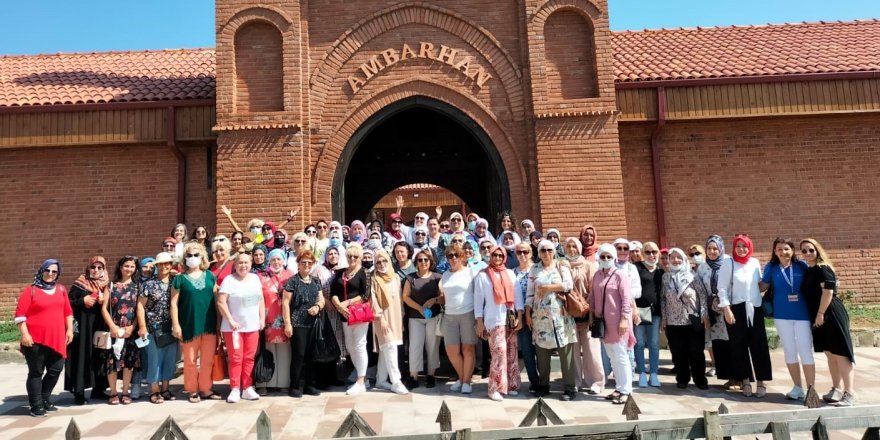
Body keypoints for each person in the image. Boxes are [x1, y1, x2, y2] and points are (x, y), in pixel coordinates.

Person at [800, 238, 856, 406]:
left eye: (811, 250)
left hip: (830, 313)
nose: (808, 253)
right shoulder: (809, 270)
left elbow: (828, 293)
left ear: (817, 250)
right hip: (819, 316)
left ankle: (850, 392)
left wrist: (820, 314)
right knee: (830, 353)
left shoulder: (824, 269)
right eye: (804, 251)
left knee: (841, 353)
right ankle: (836, 389)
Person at [15, 259, 73, 417]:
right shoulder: (31, 291)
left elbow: (67, 312)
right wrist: (25, 334)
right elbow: (20, 316)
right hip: (35, 340)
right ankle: (36, 405)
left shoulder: (61, 289)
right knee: (36, 373)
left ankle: (45, 398)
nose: (50, 274)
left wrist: (70, 330)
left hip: (57, 338)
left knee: (56, 369)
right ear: (42, 271)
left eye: (54, 271)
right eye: (47, 270)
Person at [717, 234, 772, 398]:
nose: (741, 249)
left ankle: (762, 381)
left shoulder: (754, 262)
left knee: (759, 346)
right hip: (736, 309)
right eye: (738, 246)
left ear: (750, 247)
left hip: (755, 307)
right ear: (734, 247)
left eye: (745, 246)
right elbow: (722, 288)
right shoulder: (728, 263)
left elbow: (759, 285)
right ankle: (746, 380)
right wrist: (726, 308)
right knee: (738, 346)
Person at [760, 237, 814, 401]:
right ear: (774, 252)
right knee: (790, 351)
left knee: (805, 351)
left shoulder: (801, 266)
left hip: (802, 315)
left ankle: (811, 390)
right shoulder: (772, 267)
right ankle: (798, 387)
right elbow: (763, 286)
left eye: (786, 249)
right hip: (781, 316)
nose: (783, 252)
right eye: (779, 249)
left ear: (792, 250)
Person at [171, 242, 221, 403]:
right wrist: (176, 324)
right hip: (189, 325)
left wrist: (220, 323)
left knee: (207, 360)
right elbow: (173, 304)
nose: (193, 258)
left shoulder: (210, 276)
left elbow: (216, 300)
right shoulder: (179, 279)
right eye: (189, 255)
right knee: (190, 361)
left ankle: (206, 388)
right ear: (184, 258)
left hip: (209, 325)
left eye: (196, 255)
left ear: (202, 257)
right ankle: (192, 390)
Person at [527, 239, 577, 401]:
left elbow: (568, 285)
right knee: (542, 354)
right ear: (539, 253)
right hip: (540, 318)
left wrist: (548, 288)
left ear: (554, 251)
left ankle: (569, 388)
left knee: (565, 354)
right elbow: (529, 294)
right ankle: (544, 385)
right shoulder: (534, 269)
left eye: (549, 250)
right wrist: (528, 313)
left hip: (561, 318)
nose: (546, 253)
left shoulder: (561, 266)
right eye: (543, 250)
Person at [474, 245, 523, 401]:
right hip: (493, 319)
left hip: (510, 318)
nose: (497, 258)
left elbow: (517, 295)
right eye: (494, 255)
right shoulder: (483, 275)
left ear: (504, 257)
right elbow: (478, 300)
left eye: (500, 255)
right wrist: (479, 321)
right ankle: (494, 388)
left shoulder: (510, 273)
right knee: (499, 352)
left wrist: (520, 315)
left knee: (511, 352)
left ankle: (511, 385)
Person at [217, 253, 265, 403]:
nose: (243, 266)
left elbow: (260, 299)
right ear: (235, 265)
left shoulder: (255, 279)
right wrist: (230, 320)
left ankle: (247, 387)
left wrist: (262, 319)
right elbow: (221, 302)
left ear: (250, 264)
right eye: (240, 263)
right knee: (236, 358)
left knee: (249, 357)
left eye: (246, 263)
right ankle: (235, 388)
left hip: (252, 326)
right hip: (234, 328)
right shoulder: (229, 280)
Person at [590, 244, 634, 404]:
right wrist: (591, 315)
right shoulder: (597, 276)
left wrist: (624, 319)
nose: (606, 259)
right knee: (612, 356)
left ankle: (626, 390)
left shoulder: (620, 275)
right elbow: (593, 297)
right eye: (603, 256)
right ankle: (619, 387)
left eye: (609, 256)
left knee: (621, 355)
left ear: (614, 257)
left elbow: (627, 299)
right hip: (603, 323)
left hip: (618, 322)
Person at [660, 248, 710, 390]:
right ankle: (682, 378)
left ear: (684, 260)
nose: (676, 260)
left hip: (692, 320)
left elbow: (702, 297)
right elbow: (663, 299)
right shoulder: (666, 277)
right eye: (673, 258)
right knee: (678, 352)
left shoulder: (692, 275)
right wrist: (664, 318)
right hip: (673, 322)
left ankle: (700, 379)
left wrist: (704, 315)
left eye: (679, 258)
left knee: (696, 352)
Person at [65, 256, 110, 404]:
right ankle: (79, 392)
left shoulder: (107, 285)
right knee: (82, 357)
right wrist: (82, 301)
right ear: (88, 268)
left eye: (99, 268)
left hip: (99, 327)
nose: (96, 270)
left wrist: (105, 302)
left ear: (104, 269)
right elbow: (68, 305)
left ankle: (99, 389)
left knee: (99, 356)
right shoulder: (80, 285)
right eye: (93, 267)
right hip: (83, 329)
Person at [137, 252, 179, 404]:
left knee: (169, 358)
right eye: (161, 264)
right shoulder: (148, 283)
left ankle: (166, 388)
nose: (164, 266)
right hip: (153, 327)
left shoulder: (175, 281)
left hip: (170, 325)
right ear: (157, 266)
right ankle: (154, 390)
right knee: (154, 359)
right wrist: (142, 326)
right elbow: (140, 306)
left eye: (167, 263)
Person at [98, 256, 142, 405]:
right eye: (126, 266)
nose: (129, 269)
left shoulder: (138, 287)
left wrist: (133, 327)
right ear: (120, 267)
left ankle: (125, 392)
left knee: (128, 362)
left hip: (130, 330)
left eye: (132, 266)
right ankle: (113, 392)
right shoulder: (111, 286)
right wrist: (112, 327)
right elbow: (104, 309)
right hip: (114, 329)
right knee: (112, 362)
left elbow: (140, 310)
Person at [282, 250, 325, 397]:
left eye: (309, 263)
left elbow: (322, 299)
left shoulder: (315, 281)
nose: (306, 265)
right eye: (303, 263)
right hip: (297, 323)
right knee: (298, 355)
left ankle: (309, 385)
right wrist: (287, 323)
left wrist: (318, 307)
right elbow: (285, 303)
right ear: (298, 264)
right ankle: (294, 386)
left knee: (311, 355)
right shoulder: (293, 281)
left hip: (313, 323)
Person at [331, 243, 372, 395]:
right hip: (344, 314)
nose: (352, 259)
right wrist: (338, 306)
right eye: (349, 256)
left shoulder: (365, 272)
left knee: (360, 345)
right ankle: (364, 377)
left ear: (360, 257)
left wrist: (347, 303)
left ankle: (360, 381)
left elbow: (365, 295)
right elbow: (334, 292)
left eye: (355, 256)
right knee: (349, 345)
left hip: (359, 314)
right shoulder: (341, 272)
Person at [565, 237, 604, 395]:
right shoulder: (562, 265)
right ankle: (575, 381)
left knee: (591, 350)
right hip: (568, 314)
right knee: (573, 351)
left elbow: (593, 288)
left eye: (574, 246)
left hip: (586, 313)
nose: (572, 249)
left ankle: (596, 381)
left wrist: (583, 305)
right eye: (568, 246)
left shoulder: (588, 265)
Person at [696, 235, 735, 389]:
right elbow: (700, 289)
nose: (712, 251)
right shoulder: (703, 267)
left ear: (721, 248)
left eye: (715, 248)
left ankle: (738, 377)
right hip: (712, 311)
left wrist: (727, 305)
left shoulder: (728, 262)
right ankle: (728, 376)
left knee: (732, 343)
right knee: (719, 344)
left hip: (728, 308)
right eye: (709, 249)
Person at [439, 244, 478, 394]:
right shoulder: (445, 275)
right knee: (451, 350)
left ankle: (466, 382)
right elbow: (445, 296)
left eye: (456, 255)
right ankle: (462, 378)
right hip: (449, 315)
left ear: (462, 256)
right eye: (450, 256)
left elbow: (477, 293)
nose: (453, 258)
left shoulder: (470, 272)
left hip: (468, 313)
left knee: (468, 348)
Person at [401, 249, 442, 389]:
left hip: (433, 317)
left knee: (432, 346)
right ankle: (414, 376)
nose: (423, 262)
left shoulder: (437, 277)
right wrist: (419, 308)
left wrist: (433, 300)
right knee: (415, 347)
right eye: (420, 260)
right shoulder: (410, 278)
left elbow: (443, 297)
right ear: (416, 262)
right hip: (415, 318)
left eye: (426, 259)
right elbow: (405, 296)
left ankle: (431, 375)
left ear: (430, 262)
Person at [370, 250, 410, 395]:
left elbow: (400, 300)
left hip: (396, 317)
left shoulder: (395, 278)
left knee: (386, 348)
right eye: (378, 262)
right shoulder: (373, 279)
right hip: (382, 319)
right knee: (390, 347)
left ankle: (381, 380)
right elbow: (373, 302)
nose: (381, 265)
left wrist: (402, 319)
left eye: (384, 261)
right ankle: (396, 381)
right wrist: (381, 319)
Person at [258, 248, 295, 393]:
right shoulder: (261, 276)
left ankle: (283, 383)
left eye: (279, 259)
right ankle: (265, 383)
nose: (276, 262)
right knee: (268, 351)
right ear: (269, 261)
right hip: (267, 318)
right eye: (273, 259)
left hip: (285, 318)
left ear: (283, 260)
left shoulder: (290, 275)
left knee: (284, 353)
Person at [634, 241, 663, 388]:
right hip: (639, 311)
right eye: (648, 252)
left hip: (655, 313)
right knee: (639, 344)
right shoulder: (637, 268)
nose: (651, 255)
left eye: (654, 252)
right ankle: (642, 374)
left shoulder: (660, 271)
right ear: (643, 254)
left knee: (654, 344)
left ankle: (653, 373)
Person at [513, 242, 540, 393]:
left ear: (530, 253)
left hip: (538, 314)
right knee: (528, 350)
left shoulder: (537, 269)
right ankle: (534, 382)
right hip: (521, 315)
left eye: (525, 252)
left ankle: (544, 380)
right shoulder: (512, 272)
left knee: (541, 350)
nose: (522, 255)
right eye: (518, 252)